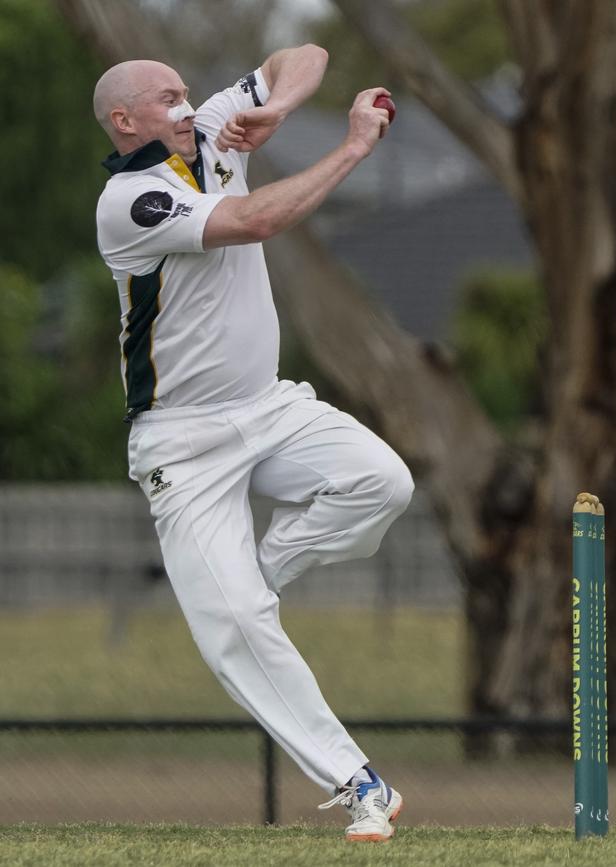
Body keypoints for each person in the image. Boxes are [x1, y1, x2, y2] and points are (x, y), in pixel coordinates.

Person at [93, 44, 414, 842]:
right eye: (165, 96)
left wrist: (276, 107)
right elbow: (256, 220)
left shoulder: (210, 129)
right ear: (125, 120)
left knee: (383, 482)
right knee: (236, 632)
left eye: (184, 89)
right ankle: (358, 781)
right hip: (183, 441)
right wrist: (348, 148)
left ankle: (255, 578)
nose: (185, 100)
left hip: (267, 406)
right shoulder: (130, 200)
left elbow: (301, 53)